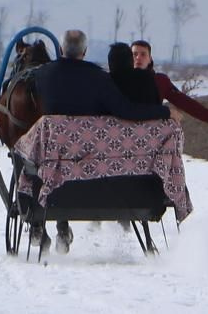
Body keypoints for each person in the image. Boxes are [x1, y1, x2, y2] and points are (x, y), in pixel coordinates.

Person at [29, 30, 182, 253]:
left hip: (56, 160)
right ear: (85, 51)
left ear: (61, 50)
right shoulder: (99, 77)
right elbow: (125, 110)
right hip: (96, 162)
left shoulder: (42, 75)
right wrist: (163, 111)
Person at [131, 40, 208, 137]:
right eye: (134, 54)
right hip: (123, 135)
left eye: (143, 54)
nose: (138, 58)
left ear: (150, 59)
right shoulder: (119, 80)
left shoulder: (160, 81)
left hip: (151, 134)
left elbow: (186, 103)